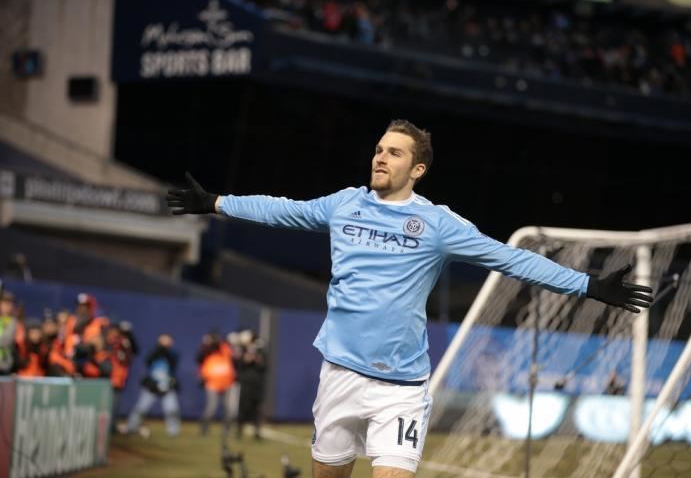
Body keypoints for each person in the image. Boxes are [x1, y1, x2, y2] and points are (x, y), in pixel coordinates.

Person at [167, 119, 654, 478]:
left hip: (400, 388)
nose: (380, 157)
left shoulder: (439, 225)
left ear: (416, 168)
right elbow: (282, 210)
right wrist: (215, 203)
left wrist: (588, 284)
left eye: (394, 153)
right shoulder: (345, 204)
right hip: (338, 374)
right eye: (378, 149)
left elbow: (511, 258)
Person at [126, 333, 181, 437]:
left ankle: (173, 431)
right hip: (152, 385)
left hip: (167, 385)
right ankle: (131, 426)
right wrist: (160, 349)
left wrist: (165, 350)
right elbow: (148, 361)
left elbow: (174, 362)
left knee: (172, 409)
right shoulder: (154, 353)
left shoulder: (173, 354)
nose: (165, 344)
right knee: (141, 408)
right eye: (163, 341)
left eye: (167, 341)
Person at [196, 330, 239, 438]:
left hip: (228, 383)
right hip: (212, 383)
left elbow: (234, 357)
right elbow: (198, 358)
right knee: (211, 408)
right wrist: (206, 344)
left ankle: (227, 430)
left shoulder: (224, 348)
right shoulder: (206, 350)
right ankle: (204, 429)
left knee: (230, 409)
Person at [0, 291, 18, 375]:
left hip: (5, 365)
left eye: (10, 304)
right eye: (5, 303)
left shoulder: (13, 322)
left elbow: (6, 341)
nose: (8, 306)